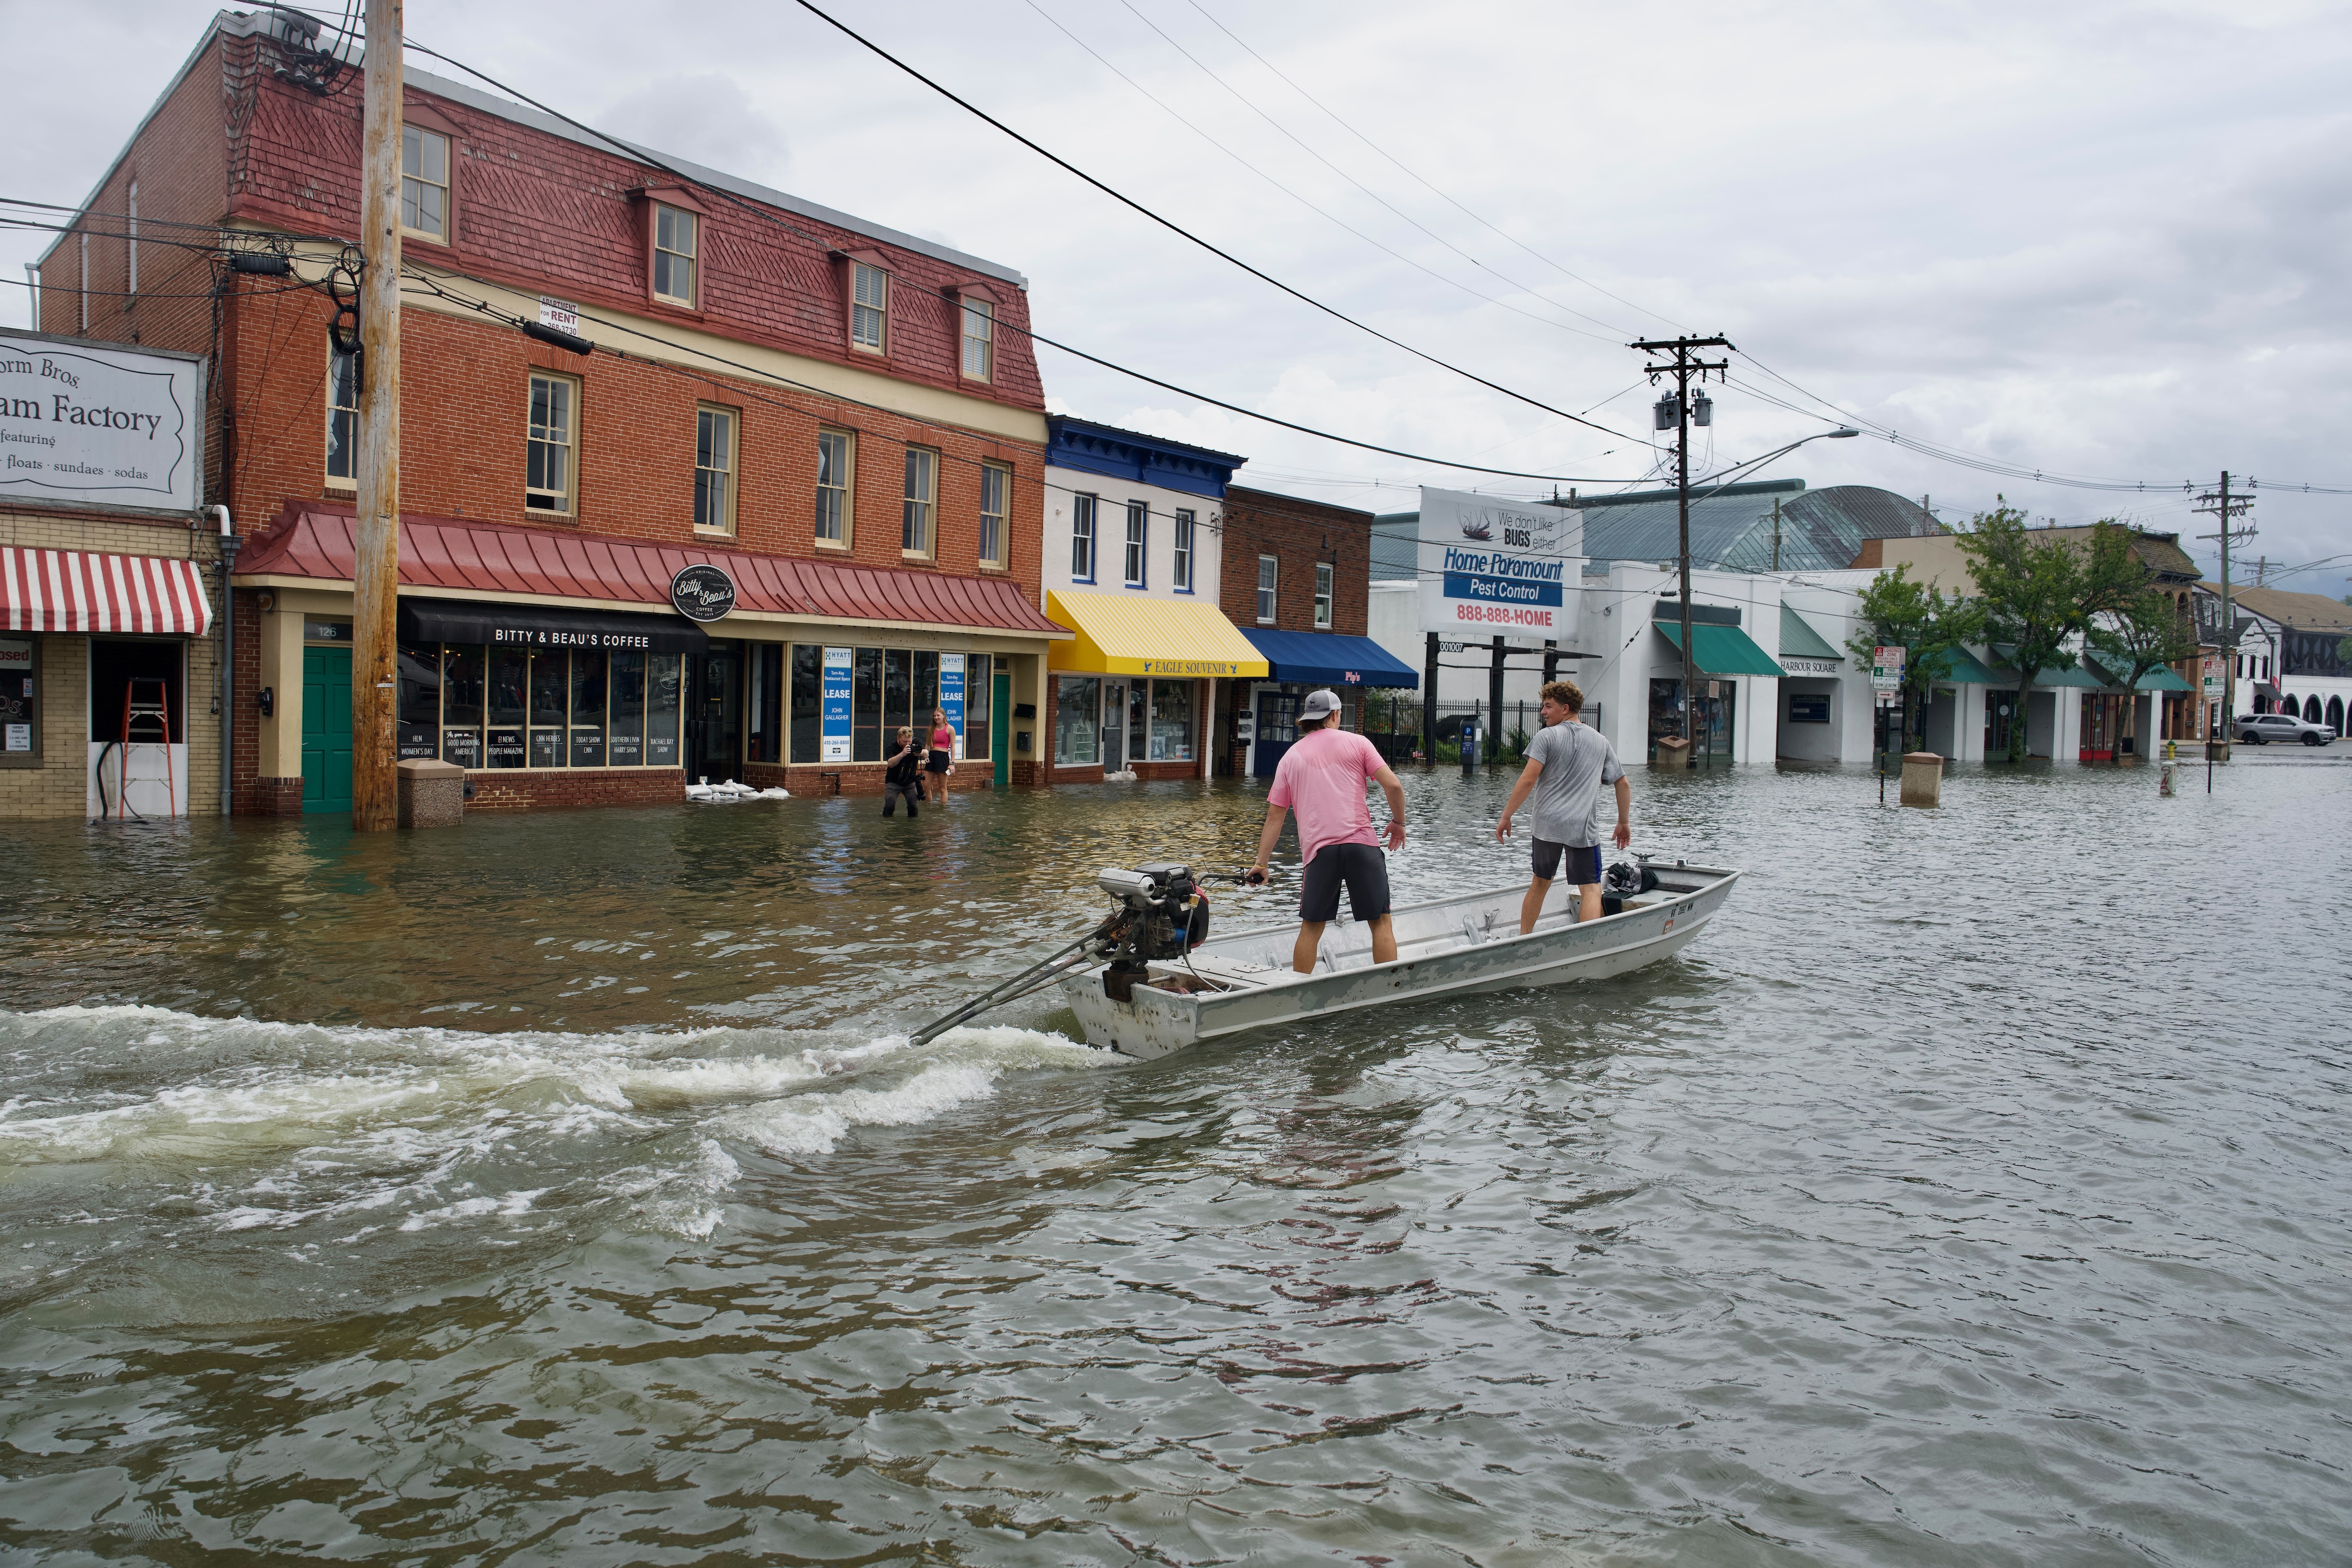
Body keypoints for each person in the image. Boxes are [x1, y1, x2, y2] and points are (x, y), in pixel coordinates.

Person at [1248, 689, 1408, 974]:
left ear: (1306, 720)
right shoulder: (1358, 743)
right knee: (1381, 921)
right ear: (1335, 715)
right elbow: (1394, 786)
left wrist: (1261, 864)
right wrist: (1398, 822)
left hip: (1319, 853)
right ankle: (1390, 990)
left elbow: (1275, 817)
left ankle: (1299, 992)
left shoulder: (1290, 758)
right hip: (1361, 845)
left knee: (1311, 928)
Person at [1494, 679, 1630, 933]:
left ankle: (1524, 940)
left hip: (1547, 826)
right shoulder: (1601, 742)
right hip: (1582, 828)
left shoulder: (1546, 737)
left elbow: (1528, 779)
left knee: (1540, 883)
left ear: (1565, 708)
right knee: (1590, 888)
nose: (1543, 712)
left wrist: (1506, 815)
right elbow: (1622, 784)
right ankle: (1586, 946)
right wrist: (1623, 822)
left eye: (1548, 706)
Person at [882, 726, 923, 818]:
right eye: (904, 742)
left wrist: (921, 753)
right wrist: (902, 754)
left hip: (910, 781)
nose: (907, 744)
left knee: (913, 807)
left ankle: (913, 826)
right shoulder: (891, 748)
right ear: (898, 738)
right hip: (893, 781)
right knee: (890, 806)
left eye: (909, 742)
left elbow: (927, 753)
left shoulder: (916, 743)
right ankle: (887, 824)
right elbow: (891, 764)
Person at [922, 706, 956, 804]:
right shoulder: (931, 729)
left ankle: (943, 811)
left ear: (944, 716)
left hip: (943, 758)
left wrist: (952, 763)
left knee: (942, 788)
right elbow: (928, 744)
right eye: (934, 716)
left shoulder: (950, 729)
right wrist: (926, 756)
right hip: (932, 757)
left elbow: (953, 747)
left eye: (938, 715)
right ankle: (929, 806)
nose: (936, 718)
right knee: (926, 786)